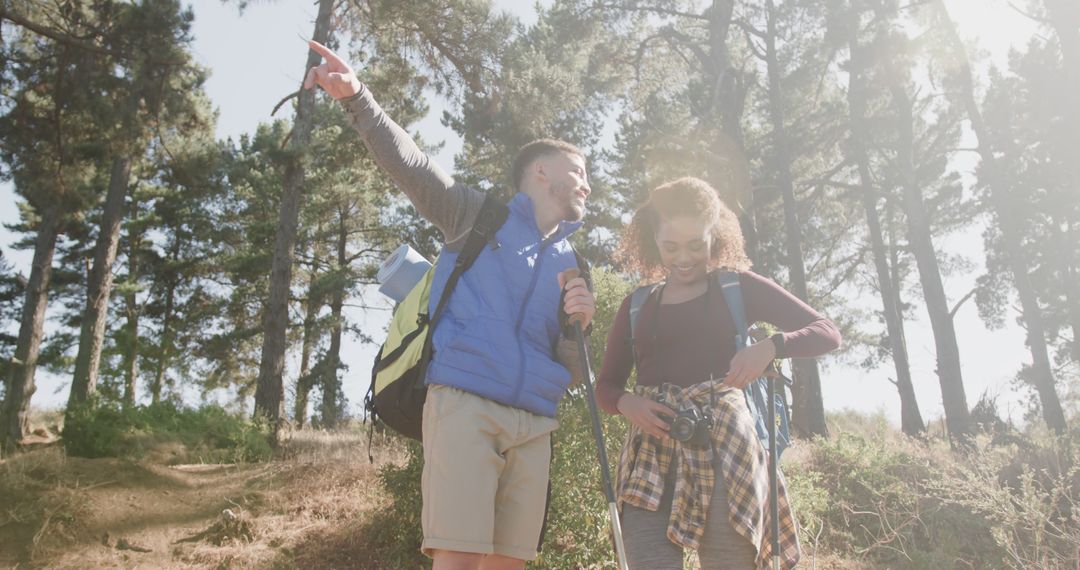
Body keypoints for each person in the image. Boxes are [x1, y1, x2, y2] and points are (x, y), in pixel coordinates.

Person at [303, 41, 597, 570]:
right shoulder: (476, 215)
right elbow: (410, 163)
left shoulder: (573, 264)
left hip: (535, 421)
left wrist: (580, 327)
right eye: (576, 170)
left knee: (508, 563)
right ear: (539, 173)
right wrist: (357, 97)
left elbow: (572, 370)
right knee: (459, 558)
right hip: (464, 401)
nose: (587, 182)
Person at [595, 177, 841, 569]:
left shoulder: (738, 288)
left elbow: (827, 332)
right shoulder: (637, 305)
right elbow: (605, 387)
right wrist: (627, 403)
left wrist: (771, 347)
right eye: (670, 246)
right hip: (651, 450)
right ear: (652, 239)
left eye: (697, 244)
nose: (684, 257)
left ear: (715, 234)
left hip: (728, 443)